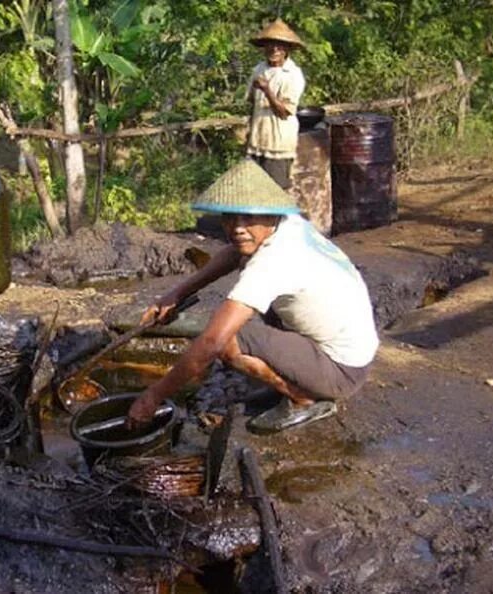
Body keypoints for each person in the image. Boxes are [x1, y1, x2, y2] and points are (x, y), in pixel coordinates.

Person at [127, 159, 379, 434]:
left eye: (248, 217)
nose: (237, 227)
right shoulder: (287, 224)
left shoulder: (273, 260)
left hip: (342, 371)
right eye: (230, 217)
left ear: (270, 214)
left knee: (227, 341)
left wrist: (153, 396)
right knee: (242, 314)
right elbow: (234, 253)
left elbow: (213, 341)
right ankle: (297, 378)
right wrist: (177, 293)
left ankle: (302, 398)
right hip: (348, 349)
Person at [245, 18, 306, 190]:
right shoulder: (259, 69)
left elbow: (284, 112)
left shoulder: (292, 74)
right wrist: (248, 133)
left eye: (279, 46)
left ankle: (280, 219)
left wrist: (267, 90)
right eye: (270, 45)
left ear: (287, 49)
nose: (274, 49)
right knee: (255, 190)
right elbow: (251, 102)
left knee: (276, 192)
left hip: (278, 142)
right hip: (257, 140)